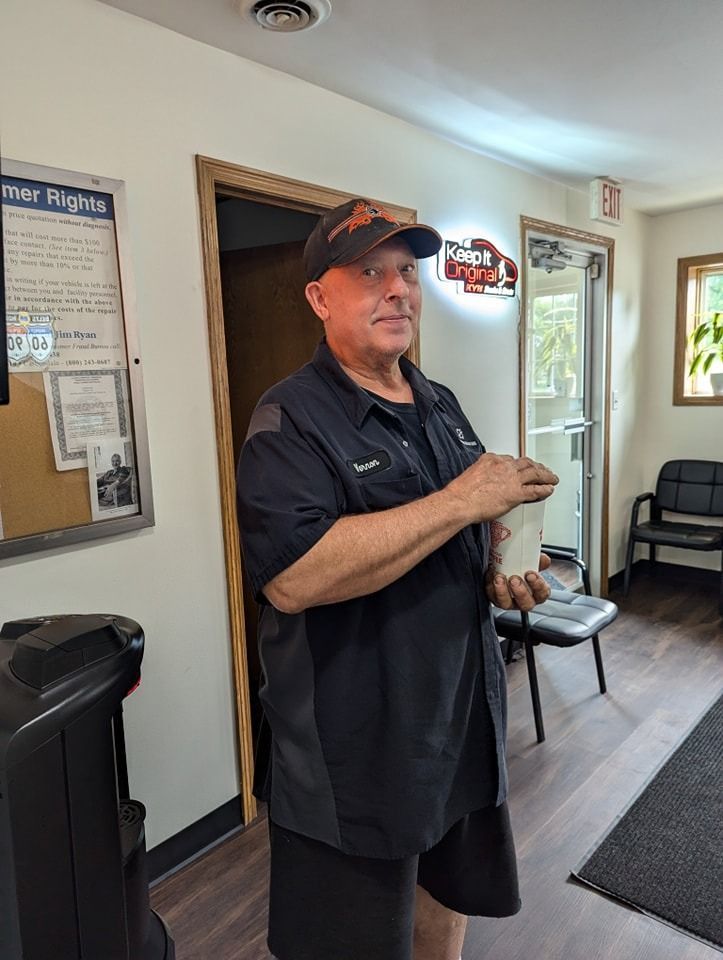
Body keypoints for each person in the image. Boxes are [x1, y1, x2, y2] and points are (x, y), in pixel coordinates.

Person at [236, 198, 559, 960]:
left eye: (407, 273)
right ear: (320, 297)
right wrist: (458, 501)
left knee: (447, 890)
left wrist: (499, 565)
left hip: (454, 719)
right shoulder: (290, 419)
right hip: (353, 750)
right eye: (369, 272)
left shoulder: (437, 403)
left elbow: (456, 531)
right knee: (352, 939)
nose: (396, 290)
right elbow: (294, 578)